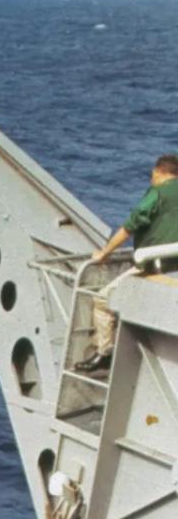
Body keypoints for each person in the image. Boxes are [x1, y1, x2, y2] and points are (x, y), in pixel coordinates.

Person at [78, 154, 178, 375]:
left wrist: (104, 253)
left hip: (153, 265)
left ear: (160, 172)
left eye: (153, 174)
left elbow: (130, 225)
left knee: (103, 300)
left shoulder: (158, 193)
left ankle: (104, 353)